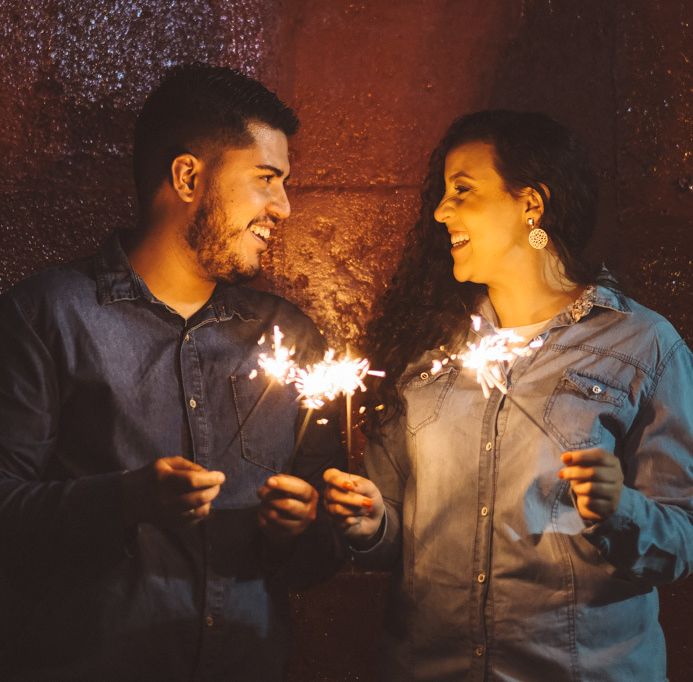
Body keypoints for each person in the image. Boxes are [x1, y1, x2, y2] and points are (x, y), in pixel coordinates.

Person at [0, 63, 344, 682]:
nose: (285, 207)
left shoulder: (289, 337)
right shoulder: (44, 317)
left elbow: (319, 561)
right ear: (188, 176)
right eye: (266, 180)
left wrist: (302, 527)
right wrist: (127, 500)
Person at [324, 110, 693, 682]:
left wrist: (621, 510)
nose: (442, 211)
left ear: (531, 205)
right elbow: (394, 535)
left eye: (462, 191)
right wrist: (371, 523)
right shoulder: (428, 355)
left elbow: (681, 543)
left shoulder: (643, 346)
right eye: (444, 194)